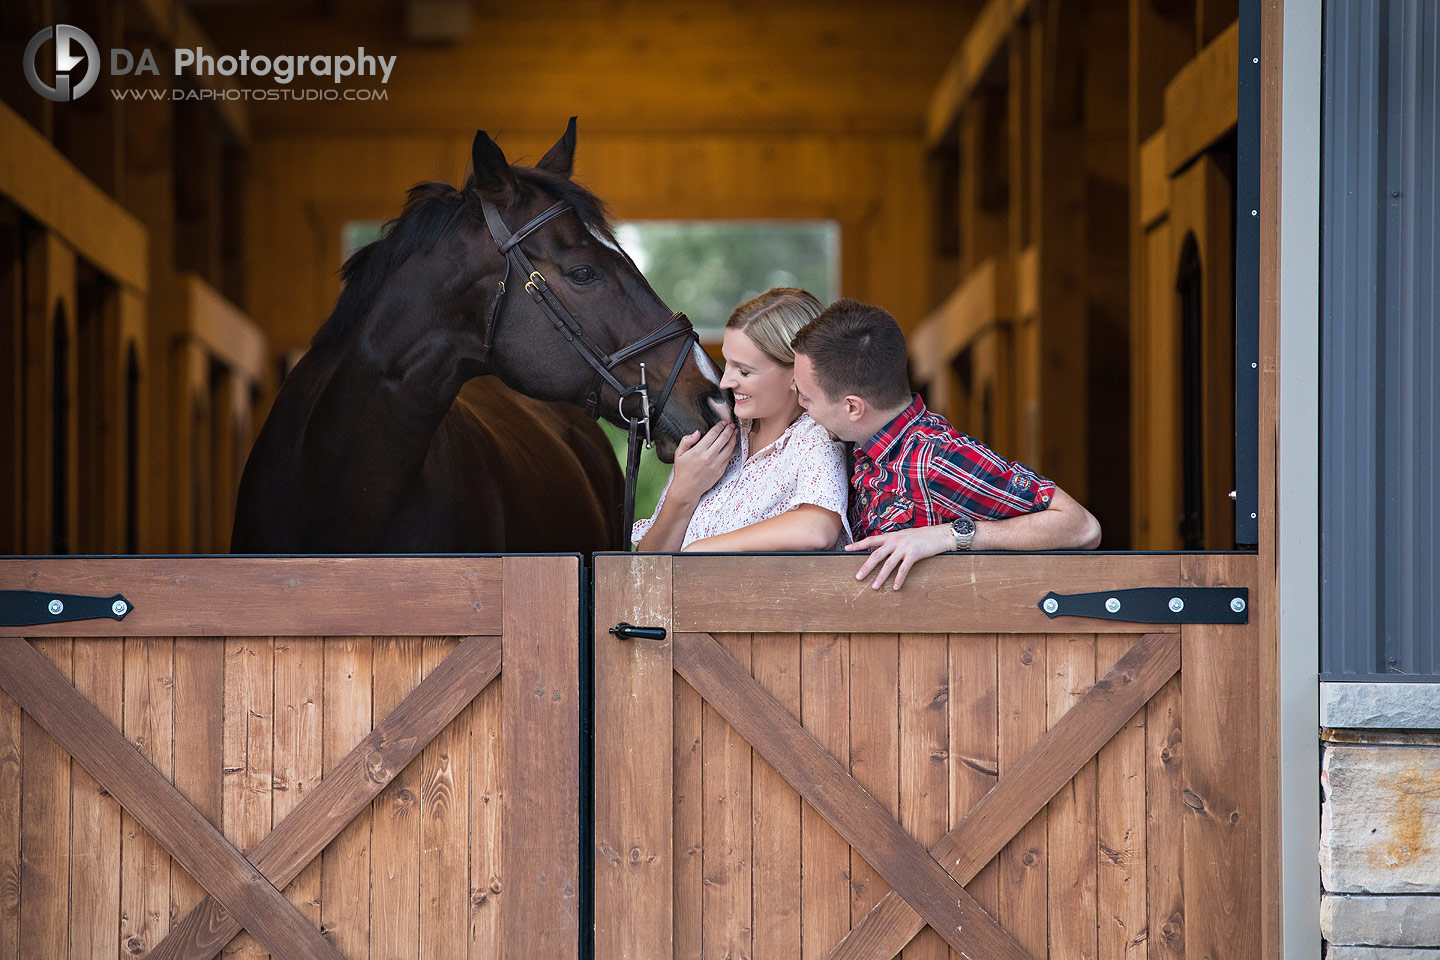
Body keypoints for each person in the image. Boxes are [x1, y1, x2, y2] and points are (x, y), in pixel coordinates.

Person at [790, 298, 1101, 589]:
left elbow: (1082, 527)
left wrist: (950, 535)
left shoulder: (937, 459)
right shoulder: (856, 441)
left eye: (807, 396)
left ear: (852, 407)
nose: (800, 402)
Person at [632, 288, 852, 552]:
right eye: (728, 364)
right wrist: (682, 493)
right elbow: (645, 565)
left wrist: (700, 551)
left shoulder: (815, 438)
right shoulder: (717, 434)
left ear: (797, 373)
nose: (726, 382)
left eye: (744, 371)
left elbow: (818, 528)